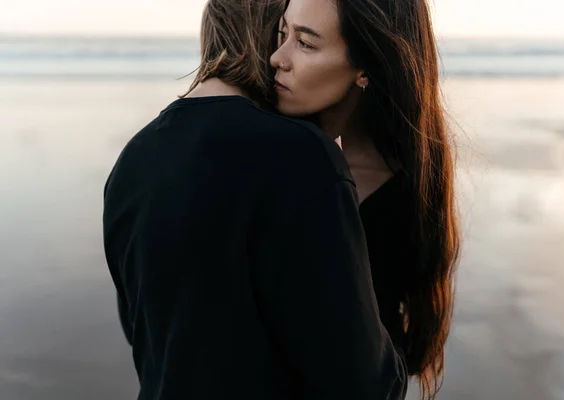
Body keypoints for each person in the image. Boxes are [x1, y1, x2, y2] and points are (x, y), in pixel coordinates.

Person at [102, 0, 407, 399]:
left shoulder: (132, 159)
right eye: (287, 35)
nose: (284, 56)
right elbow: (364, 383)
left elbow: (146, 335)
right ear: (269, 36)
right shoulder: (301, 155)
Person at [270, 0, 461, 398]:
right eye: (282, 33)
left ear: (364, 66)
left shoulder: (404, 191)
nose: (277, 58)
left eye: (306, 44)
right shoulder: (269, 150)